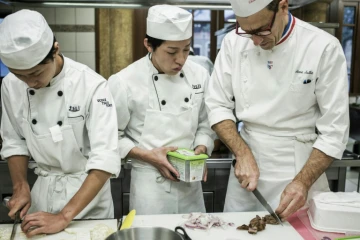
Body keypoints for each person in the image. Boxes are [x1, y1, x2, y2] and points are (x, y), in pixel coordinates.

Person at [205, 0, 349, 220]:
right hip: (247, 167)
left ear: (283, 7)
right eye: (246, 31)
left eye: (261, 30)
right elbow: (217, 104)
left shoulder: (322, 46)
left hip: (299, 165)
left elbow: (335, 130)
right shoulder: (233, 43)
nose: (254, 41)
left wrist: (303, 182)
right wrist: (242, 153)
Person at [0, 10, 120, 237]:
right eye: (20, 75)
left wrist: (65, 216)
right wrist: (20, 186)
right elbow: (14, 140)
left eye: (35, 73)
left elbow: (105, 158)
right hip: (42, 197)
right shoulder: (10, 85)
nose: (29, 83)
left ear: (56, 49)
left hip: (88, 201)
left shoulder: (92, 86)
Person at [108, 4, 215, 215]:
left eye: (186, 49)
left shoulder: (200, 75)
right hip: (150, 188)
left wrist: (200, 152)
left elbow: (206, 125)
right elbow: (112, 137)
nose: (181, 60)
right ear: (149, 44)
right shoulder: (124, 82)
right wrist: (148, 156)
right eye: (172, 52)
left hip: (190, 186)